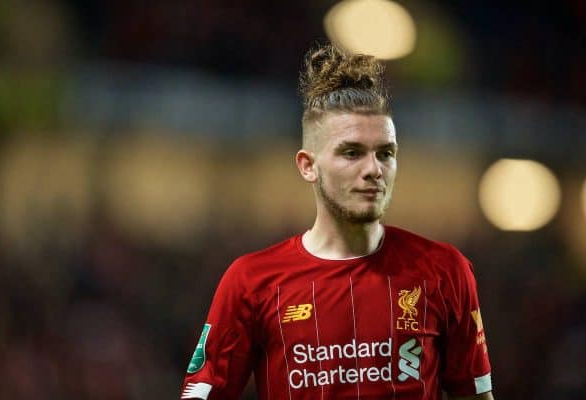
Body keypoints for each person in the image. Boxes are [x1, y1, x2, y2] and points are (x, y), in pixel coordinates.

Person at [179, 43, 494, 400]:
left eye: (385, 154)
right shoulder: (252, 282)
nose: (373, 170)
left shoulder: (444, 271)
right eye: (352, 152)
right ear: (308, 165)